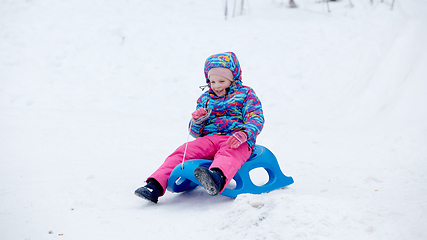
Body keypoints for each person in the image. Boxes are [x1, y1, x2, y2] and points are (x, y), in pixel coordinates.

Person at [134, 52, 264, 203]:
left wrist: (244, 133)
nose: (216, 86)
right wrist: (197, 121)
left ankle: (216, 178)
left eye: (221, 81)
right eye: (212, 81)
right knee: (184, 151)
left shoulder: (246, 94)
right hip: (209, 139)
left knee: (229, 152)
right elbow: (194, 132)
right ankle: (155, 185)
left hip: (236, 140)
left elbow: (256, 117)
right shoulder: (205, 98)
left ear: (234, 78)